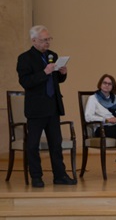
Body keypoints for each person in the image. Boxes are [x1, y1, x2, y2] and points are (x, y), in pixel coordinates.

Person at [16, 25, 77, 188]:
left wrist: (62, 73)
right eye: (44, 40)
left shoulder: (53, 55)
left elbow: (56, 81)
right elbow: (26, 82)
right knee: (33, 144)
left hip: (53, 106)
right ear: (34, 40)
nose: (47, 43)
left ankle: (60, 175)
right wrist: (44, 72)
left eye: (49, 39)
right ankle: (36, 176)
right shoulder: (25, 58)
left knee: (56, 144)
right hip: (36, 108)